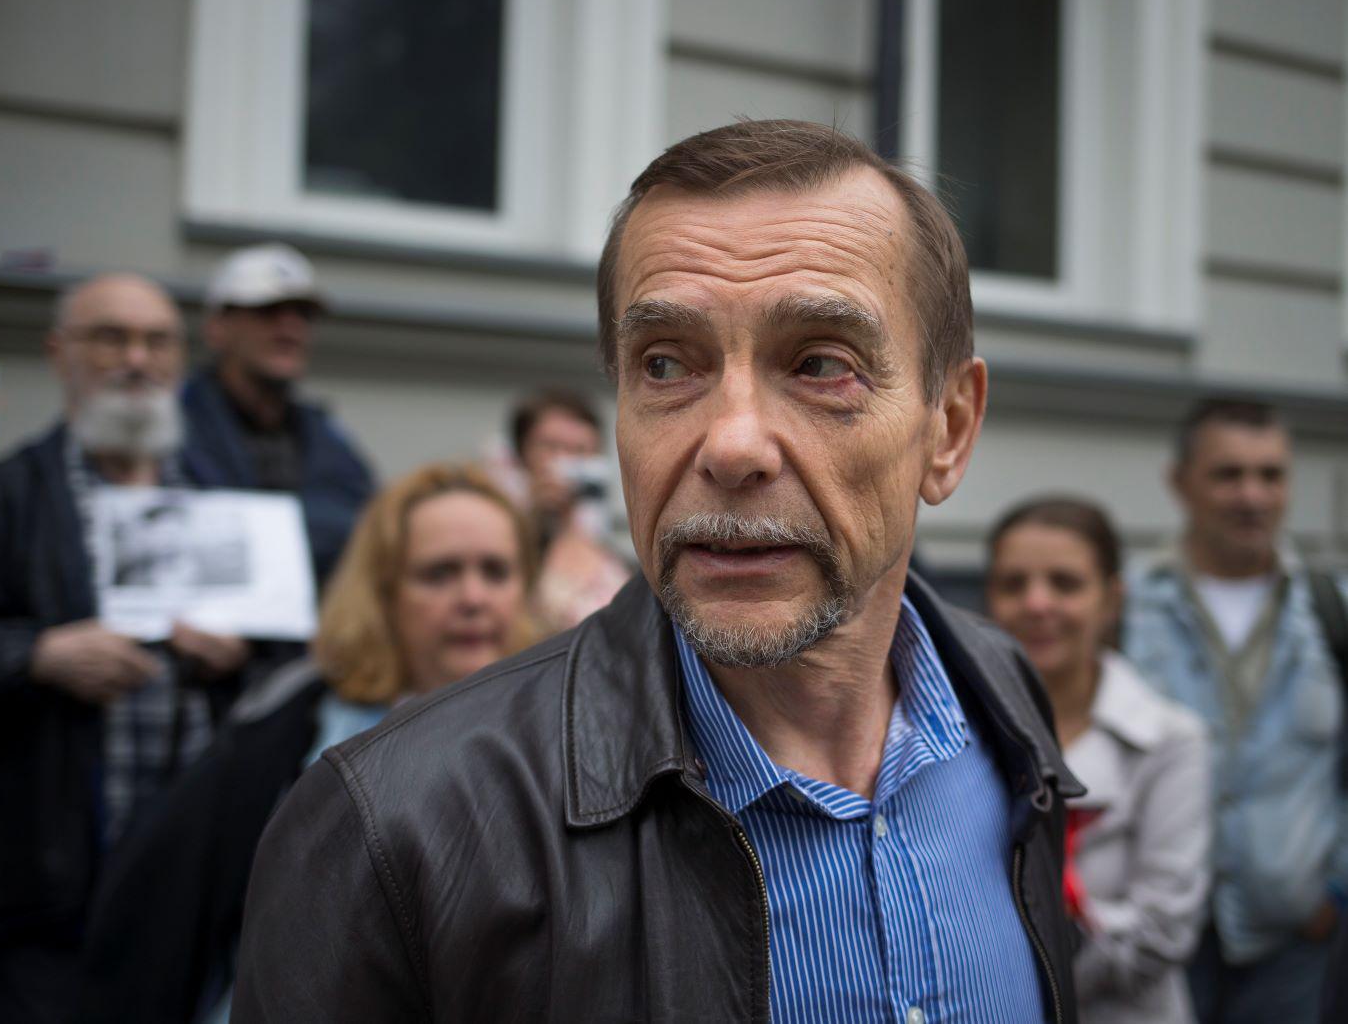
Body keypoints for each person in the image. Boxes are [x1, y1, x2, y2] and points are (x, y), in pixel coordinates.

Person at [233, 119, 1084, 1022]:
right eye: (666, 364)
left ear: (947, 429)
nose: (732, 444)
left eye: (820, 363)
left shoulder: (1003, 704)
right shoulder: (394, 831)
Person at [0, 274, 252, 1024]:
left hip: (191, 898)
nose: (136, 358)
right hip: (43, 908)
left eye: (157, 340)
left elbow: (296, 666)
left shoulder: (223, 501)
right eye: (110, 336)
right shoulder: (5, 499)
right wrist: (33, 655)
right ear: (58, 353)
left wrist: (236, 660)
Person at [76, 462, 538, 1023]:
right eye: (439, 574)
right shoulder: (292, 728)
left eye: (495, 571)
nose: (473, 597)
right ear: (383, 592)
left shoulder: (563, 730)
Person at [1125, 398, 1348, 1022]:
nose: (1252, 495)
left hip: (1294, 941)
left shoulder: (1333, 610)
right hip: (1161, 942)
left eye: (1270, 475)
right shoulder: (1128, 609)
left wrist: (1335, 888)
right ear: (1181, 483)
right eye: (1228, 474)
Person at [987, 496, 1211, 1023]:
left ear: (1111, 600)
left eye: (1065, 583)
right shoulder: (957, 730)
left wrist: (1008, 966)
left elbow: (1162, 933)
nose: (1037, 603)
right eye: (1013, 584)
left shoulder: (1169, 740)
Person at [183, 242, 375, 586]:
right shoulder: (173, 428)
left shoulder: (326, 435)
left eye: (303, 314)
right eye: (267, 311)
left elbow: (371, 528)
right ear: (217, 327)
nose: (289, 327)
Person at [507, 387, 630, 628]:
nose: (567, 461)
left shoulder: (612, 553)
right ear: (521, 454)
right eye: (552, 447)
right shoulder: (505, 539)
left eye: (580, 450)